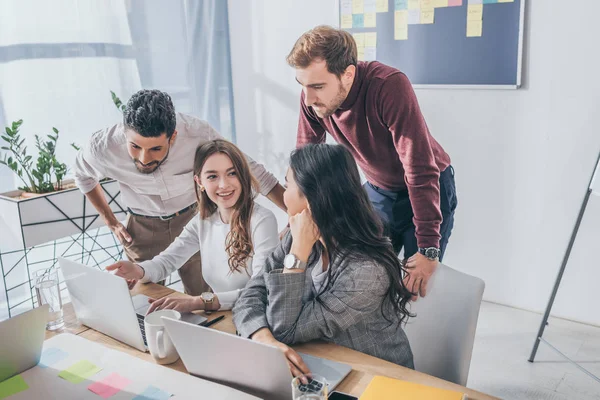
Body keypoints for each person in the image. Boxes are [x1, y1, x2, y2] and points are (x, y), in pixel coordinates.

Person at [287, 26, 458, 299]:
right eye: (303, 86)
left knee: (412, 289)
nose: (308, 99)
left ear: (348, 74)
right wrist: (295, 220)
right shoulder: (312, 98)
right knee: (365, 279)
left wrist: (427, 250)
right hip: (378, 190)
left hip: (427, 185)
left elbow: (419, 169)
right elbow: (306, 161)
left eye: (318, 86)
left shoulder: (388, 85)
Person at [74, 89, 286, 295]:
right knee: (143, 297)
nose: (144, 159)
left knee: (202, 295)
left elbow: (250, 169)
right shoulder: (102, 147)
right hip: (141, 226)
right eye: (135, 147)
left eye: (156, 149)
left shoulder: (198, 133)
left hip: (191, 216)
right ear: (124, 132)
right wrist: (110, 221)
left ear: (172, 137)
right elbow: (82, 176)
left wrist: (298, 212)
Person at [232, 143, 414, 376]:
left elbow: (284, 328)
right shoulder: (295, 236)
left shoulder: (366, 271)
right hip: (322, 363)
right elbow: (252, 292)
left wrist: (298, 253)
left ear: (311, 199)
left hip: (375, 378)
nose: (283, 195)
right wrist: (262, 337)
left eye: (287, 185)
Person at [105, 139, 279, 313]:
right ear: (199, 181)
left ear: (243, 175)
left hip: (256, 317)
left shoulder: (262, 220)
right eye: (212, 176)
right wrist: (137, 270)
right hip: (224, 315)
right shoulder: (203, 221)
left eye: (232, 173)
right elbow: (168, 260)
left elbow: (260, 290)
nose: (224, 184)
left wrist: (200, 302)